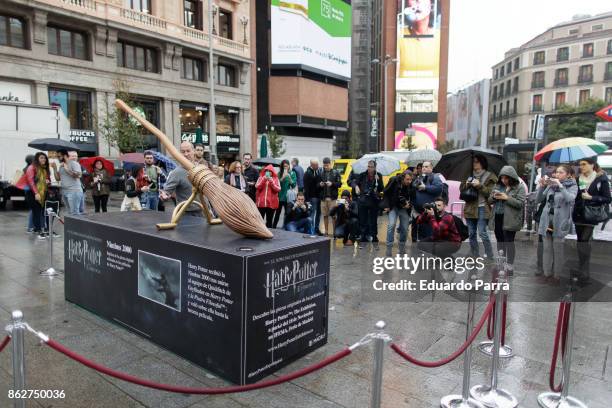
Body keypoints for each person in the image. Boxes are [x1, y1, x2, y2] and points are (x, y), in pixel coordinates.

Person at [572, 157, 611, 285]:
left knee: (584, 241)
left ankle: (584, 271)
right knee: (580, 242)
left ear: (592, 165)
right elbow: (576, 196)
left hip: (592, 215)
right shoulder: (578, 179)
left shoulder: (601, 179)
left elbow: (607, 198)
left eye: (584, 164)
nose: (581, 167)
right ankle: (582, 268)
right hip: (578, 214)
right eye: (580, 164)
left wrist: (591, 197)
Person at [536, 165, 578, 285]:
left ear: (568, 174)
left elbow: (570, 199)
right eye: (556, 172)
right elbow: (539, 199)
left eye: (560, 172)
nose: (557, 175)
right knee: (547, 249)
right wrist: (542, 186)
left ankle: (557, 276)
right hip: (546, 220)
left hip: (560, 222)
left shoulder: (573, 185)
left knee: (558, 250)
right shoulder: (551, 185)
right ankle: (546, 273)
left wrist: (561, 186)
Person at [489, 165, 526, 274]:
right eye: (502, 178)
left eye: (506, 178)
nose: (504, 180)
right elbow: (489, 200)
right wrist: (494, 197)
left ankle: (509, 265)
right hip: (498, 217)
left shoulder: (519, 187)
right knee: (500, 241)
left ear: (512, 177)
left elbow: (520, 203)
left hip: (511, 219)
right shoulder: (498, 186)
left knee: (509, 241)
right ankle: (501, 263)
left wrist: (507, 198)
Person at [460, 154, 497, 259]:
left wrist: (480, 186)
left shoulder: (490, 176)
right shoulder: (469, 175)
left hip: (482, 208)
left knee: (482, 233)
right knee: (471, 233)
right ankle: (475, 254)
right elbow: (461, 190)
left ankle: (489, 255)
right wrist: (466, 184)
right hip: (470, 208)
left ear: (482, 163)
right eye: (473, 161)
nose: (474, 164)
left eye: (476, 161)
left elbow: (490, 193)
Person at [160, 142, 203, 217]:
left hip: (204, 211)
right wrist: (164, 196)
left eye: (188, 151)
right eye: (183, 152)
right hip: (187, 214)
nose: (186, 154)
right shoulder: (176, 173)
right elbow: (166, 192)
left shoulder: (201, 168)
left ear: (194, 151)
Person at [352, 160, 384, 246]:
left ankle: (374, 236)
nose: (369, 168)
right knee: (363, 220)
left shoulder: (379, 175)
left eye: (371, 167)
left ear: (375, 167)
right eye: (368, 166)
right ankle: (363, 237)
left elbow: (381, 188)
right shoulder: (362, 175)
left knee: (373, 220)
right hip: (363, 200)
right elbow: (354, 182)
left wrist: (379, 180)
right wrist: (356, 187)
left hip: (374, 201)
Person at [383, 170, 414, 252]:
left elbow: (413, 196)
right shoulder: (394, 180)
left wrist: (409, 204)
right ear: (403, 178)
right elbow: (386, 192)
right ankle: (389, 244)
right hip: (394, 206)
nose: (409, 181)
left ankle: (402, 244)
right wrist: (387, 205)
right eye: (407, 179)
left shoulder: (411, 184)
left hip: (404, 208)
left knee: (404, 227)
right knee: (391, 225)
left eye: (410, 179)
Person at [412, 161, 443, 240]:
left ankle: (428, 250)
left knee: (429, 233)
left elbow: (438, 189)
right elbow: (413, 186)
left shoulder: (435, 177)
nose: (424, 168)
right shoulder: (420, 177)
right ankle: (419, 249)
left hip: (429, 212)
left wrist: (425, 187)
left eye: (426, 166)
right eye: (423, 167)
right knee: (419, 233)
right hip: (418, 211)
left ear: (431, 168)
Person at [24, 152, 51, 239]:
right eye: (41, 158)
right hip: (33, 193)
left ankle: (39, 229)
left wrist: (48, 182)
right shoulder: (31, 167)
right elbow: (30, 181)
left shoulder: (44, 168)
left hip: (43, 193)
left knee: (41, 212)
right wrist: (36, 193)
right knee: (36, 212)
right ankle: (38, 230)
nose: (44, 160)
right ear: (37, 159)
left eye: (45, 158)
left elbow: (47, 180)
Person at [319, 157, 341, 236]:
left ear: (330, 164)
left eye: (327, 165)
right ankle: (326, 232)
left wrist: (332, 184)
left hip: (332, 198)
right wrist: (320, 184)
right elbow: (317, 184)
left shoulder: (336, 172)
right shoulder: (321, 173)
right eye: (324, 165)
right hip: (323, 198)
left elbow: (339, 184)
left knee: (333, 216)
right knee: (325, 215)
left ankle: (335, 232)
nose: (326, 167)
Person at [57, 150, 83, 216]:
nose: (58, 158)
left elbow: (78, 175)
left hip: (74, 191)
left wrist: (67, 169)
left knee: (75, 213)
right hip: (64, 191)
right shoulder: (61, 165)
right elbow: (58, 178)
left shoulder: (74, 163)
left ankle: (77, 226)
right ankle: (72, 226)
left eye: (59, 156)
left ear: (65, 156)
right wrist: (55, 168)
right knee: (69, 212)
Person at [273, 159, 297, 228]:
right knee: (277, 213)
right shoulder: (279, 173)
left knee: (287, 213)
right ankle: (274, 226)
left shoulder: (292, 173)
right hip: (280, 196)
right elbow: (276, 184)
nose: (286, 168)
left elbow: (293, 185)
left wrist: (289, 178)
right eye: (284, 167)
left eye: (287, 166)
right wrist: (283, 177)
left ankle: (286, 227)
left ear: (289, 166)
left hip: (288, 197)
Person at [304, 159, 322, 234]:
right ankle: (312, 229)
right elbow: (306, 187)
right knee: (313, 214)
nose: (318, 166)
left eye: (318, 165)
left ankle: (316, 228)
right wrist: (307, 199)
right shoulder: (307, 173)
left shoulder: (318, 171)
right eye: (316, 165)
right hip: (312, 197)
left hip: (318, 196)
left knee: (318, 213)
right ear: (312, 165)